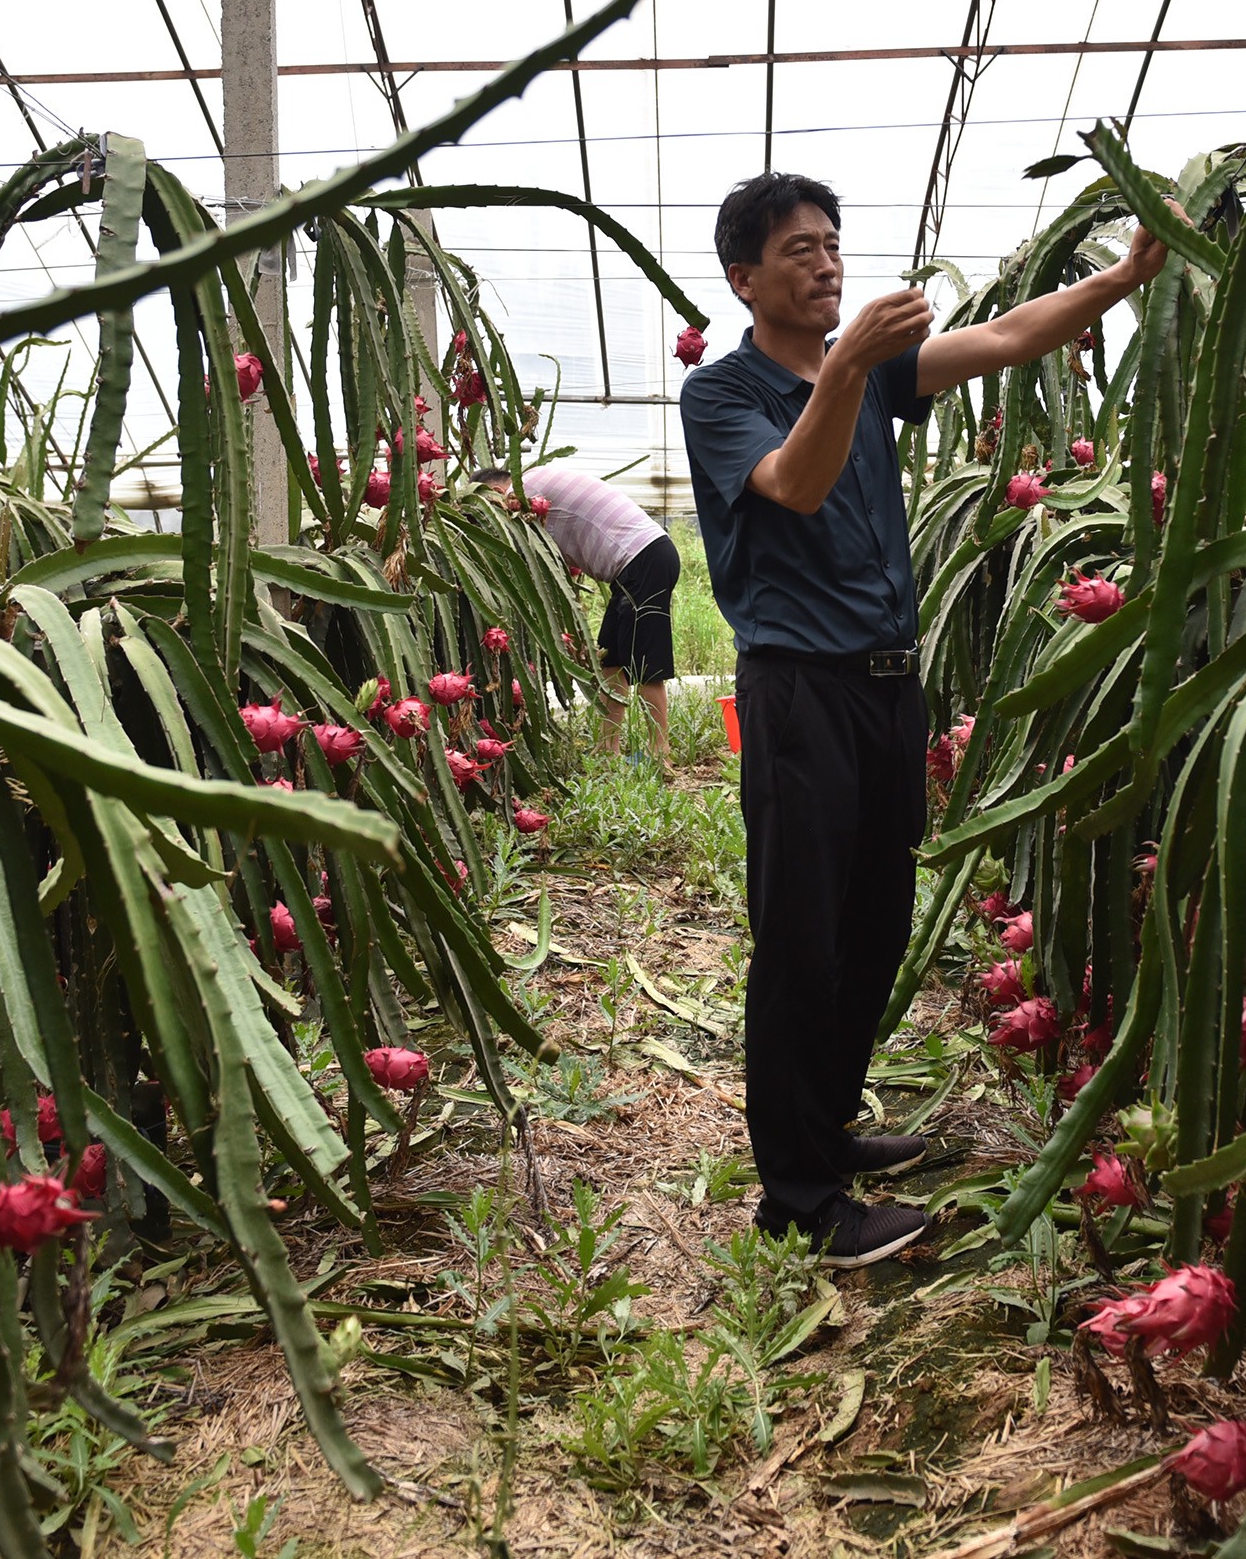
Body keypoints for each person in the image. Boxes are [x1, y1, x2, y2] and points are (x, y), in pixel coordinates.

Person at [679, 170, 1166, 1266]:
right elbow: (796, 483)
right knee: (800, 937)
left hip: (890, 687)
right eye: (798, 249)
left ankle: (829, 1127)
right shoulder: (723, 395)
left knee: (874, 923)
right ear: (744, 277)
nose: (825, 262)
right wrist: (849, 363)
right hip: (799, 690)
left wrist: (1121, 279)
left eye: (832, 242)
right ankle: (799, 1199)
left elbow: (1004, 338)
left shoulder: (868, 372)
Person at [477, 461, 679, 761]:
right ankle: (608, 747)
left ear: (496, 491)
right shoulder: (538, 482)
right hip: (637, 563)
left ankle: (659, 750)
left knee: (646, 661)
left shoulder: (524, 490)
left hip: (643, 558)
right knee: (612, 659)